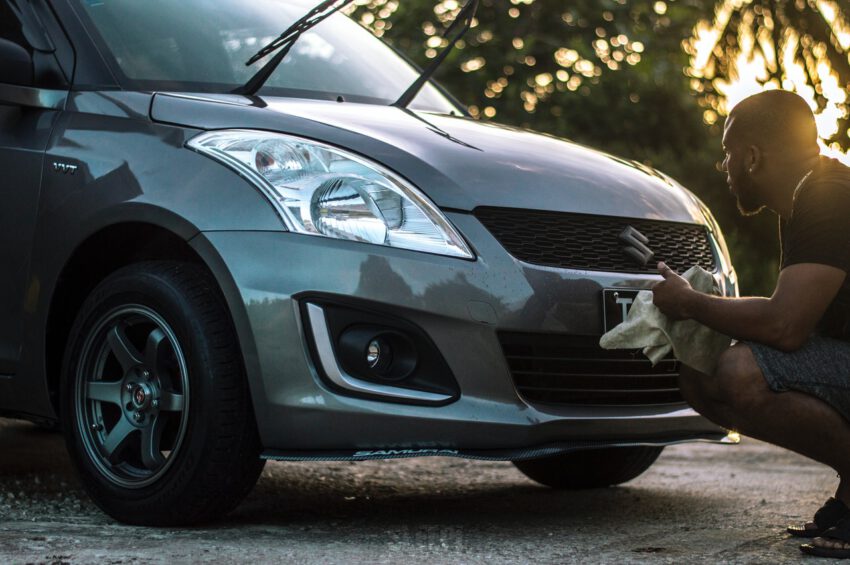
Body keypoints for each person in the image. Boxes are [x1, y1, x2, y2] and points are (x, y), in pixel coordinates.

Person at [651, 89, 850, 559]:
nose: (725, 167)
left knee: (740, 371)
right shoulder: (812, 194)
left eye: (728, 154)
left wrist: (692, 303)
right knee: (701, 374)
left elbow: (786, 326)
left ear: (754, 157)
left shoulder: (827, 197)